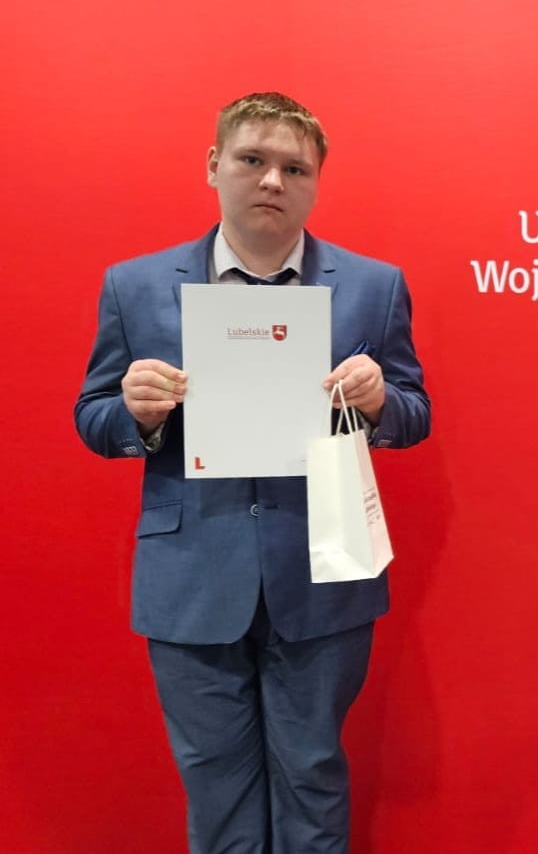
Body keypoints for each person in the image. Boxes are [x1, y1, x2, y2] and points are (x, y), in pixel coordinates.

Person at [75, 92, 431, 853]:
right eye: (252, 160)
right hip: (192, 574)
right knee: (215, 787)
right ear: (214, 166)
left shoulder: (374, 286)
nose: (272, 180)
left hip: (326, 572)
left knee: (313, 774)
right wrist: (135, 413)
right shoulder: (135, 286)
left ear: (316, 182)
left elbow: (414, 411)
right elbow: (93, 417)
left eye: (294, 168)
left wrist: (379, 402)